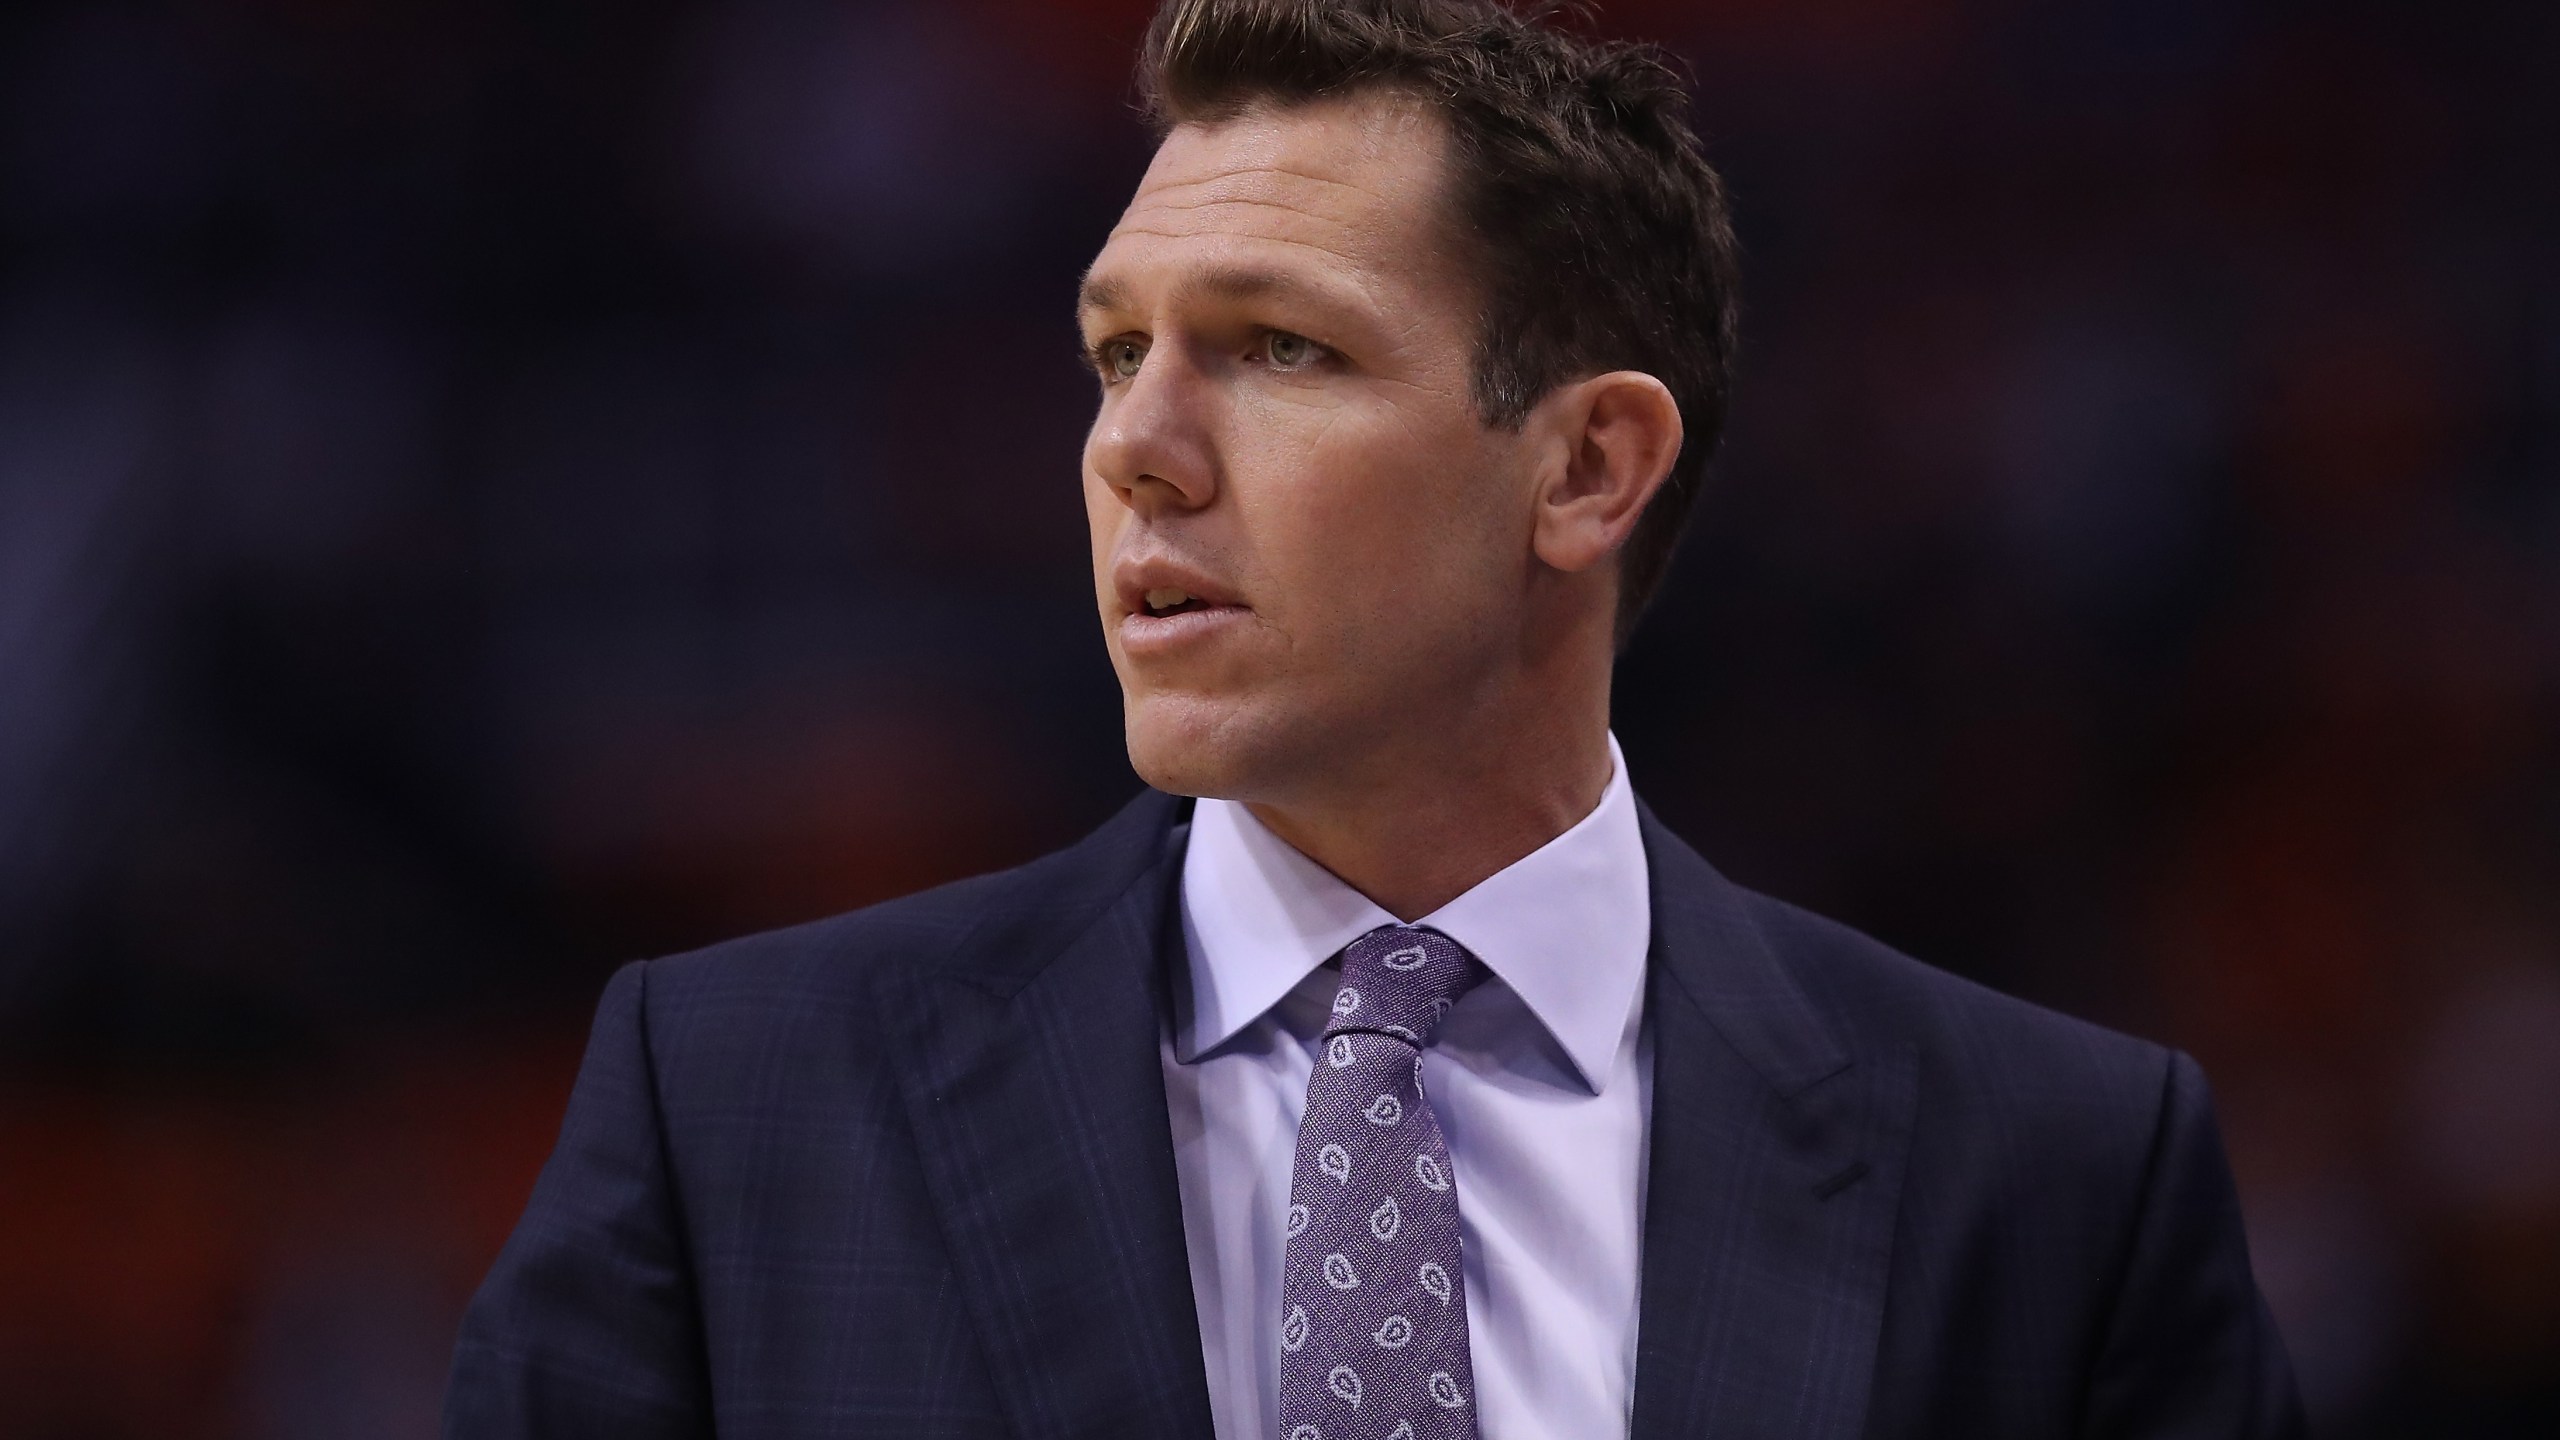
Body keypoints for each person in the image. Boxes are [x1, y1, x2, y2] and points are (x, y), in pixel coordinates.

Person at [443, 2, 2304, 1436]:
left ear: (1587, 466)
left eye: (1279, 349)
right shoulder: (737, 1111)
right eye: (1115, 350)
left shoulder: (2053, 1180)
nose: (1134, 450)